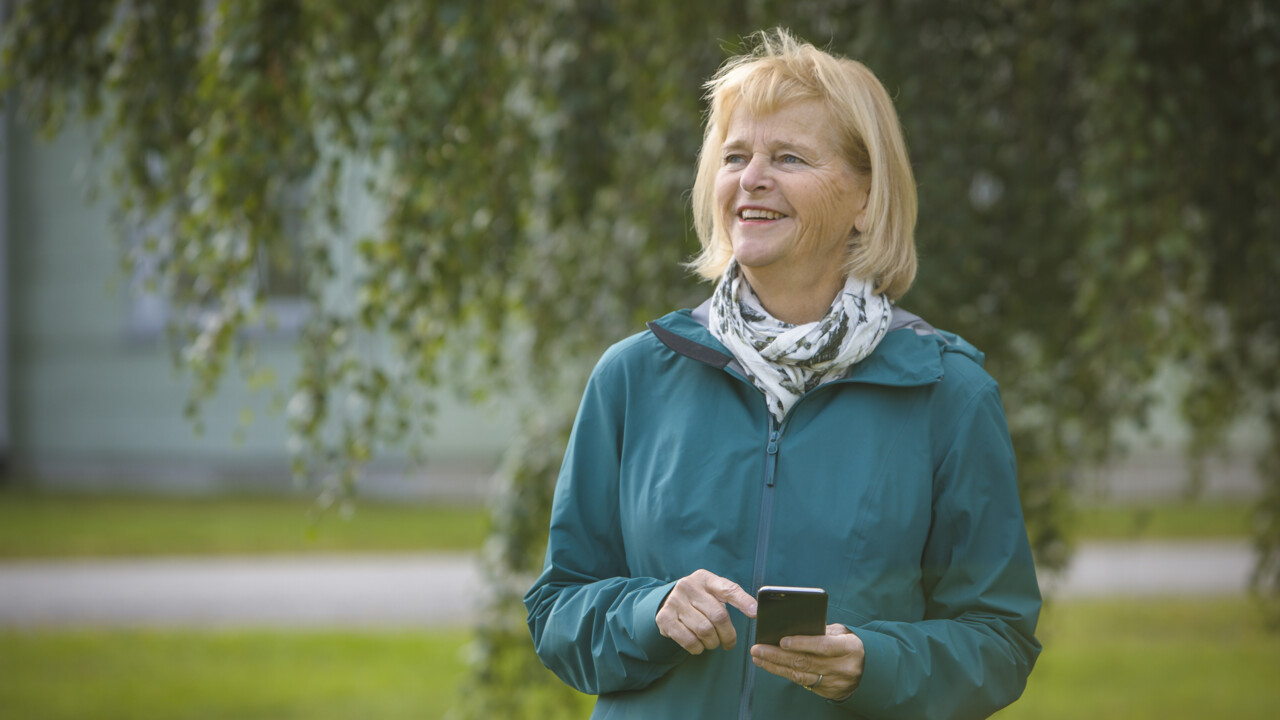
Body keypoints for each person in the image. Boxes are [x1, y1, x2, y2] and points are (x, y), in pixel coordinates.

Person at [524, 28, 1041, 719]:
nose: (751, 179)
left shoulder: (947, 394)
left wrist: (873, 663)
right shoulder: (633, 378)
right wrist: (650, 611)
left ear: (865, 198)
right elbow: (558, 607)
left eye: (789, 156)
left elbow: (999, 641)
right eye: (735, 156)